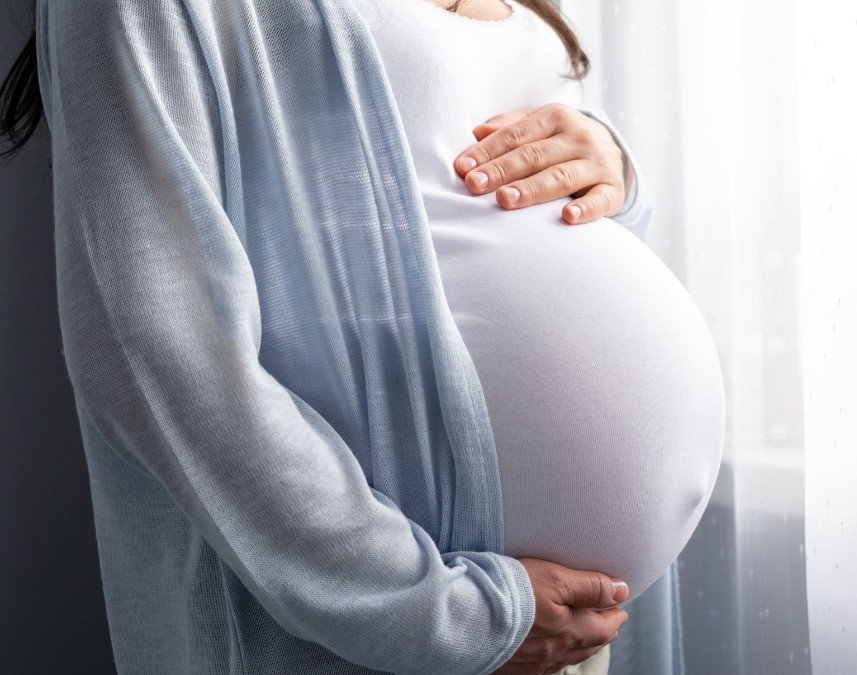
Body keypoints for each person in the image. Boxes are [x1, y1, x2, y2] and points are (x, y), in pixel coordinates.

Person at [0, 1, 707, 673]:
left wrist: (608, 161)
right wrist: (447, 616)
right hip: (387, 628)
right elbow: (157, 351)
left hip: (565, 624)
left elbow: (485, 180)